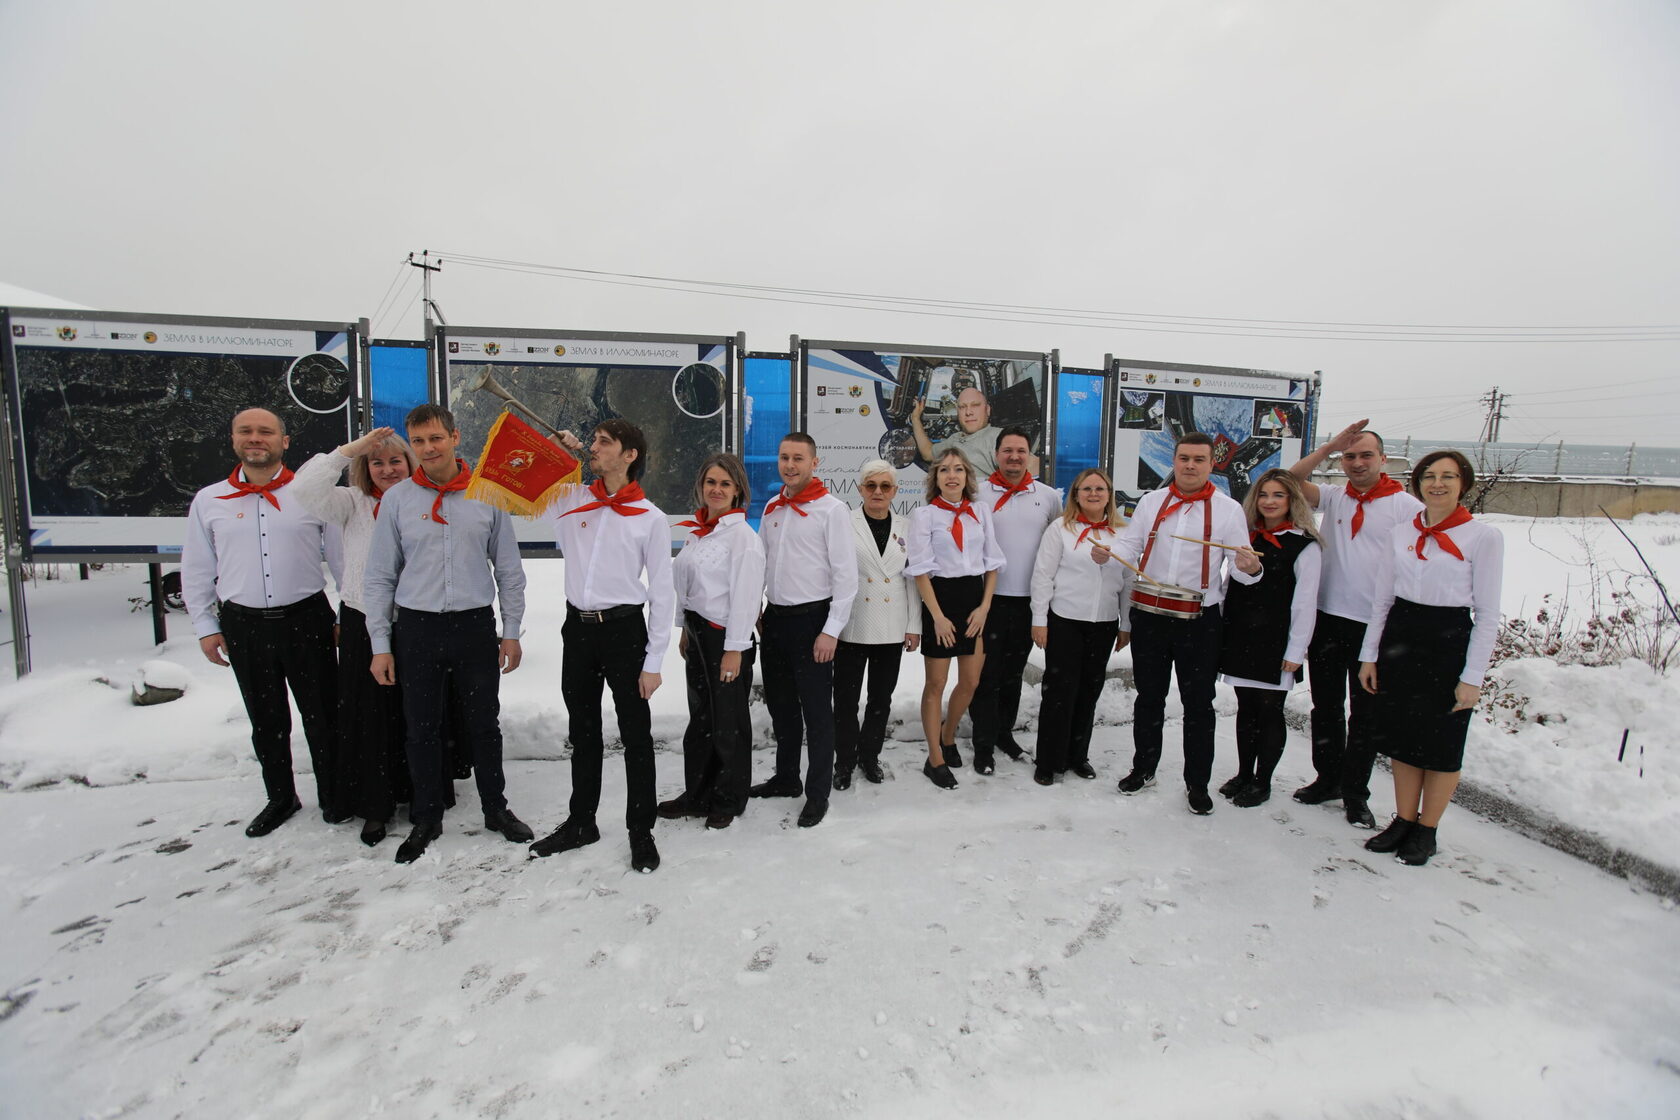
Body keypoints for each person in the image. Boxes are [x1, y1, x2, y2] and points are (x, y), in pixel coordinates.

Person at [364, 404, 533, 864]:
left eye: (435, 438)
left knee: (484, 724)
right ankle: (427, 816)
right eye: (418, 441)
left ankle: (496, 808)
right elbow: (380, 576)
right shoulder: (398, 500)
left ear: (455, 438)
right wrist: (380, 645)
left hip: (473, 626)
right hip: (417, 628)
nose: (427, 448)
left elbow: (509, 570)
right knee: (420, 727)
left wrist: (511, 631)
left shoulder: (488, 494)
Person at [183, 407, 339, 838]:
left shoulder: (311, 494)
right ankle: (281, 797)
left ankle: (334, 793)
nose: (256, 438)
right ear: (234, 440)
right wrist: (205, 626)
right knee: (267, 720)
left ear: (283, 442)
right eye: (246, 431)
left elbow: (342, 559)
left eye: (265, 431)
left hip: (307, 619)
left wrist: (347, 612)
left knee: (323, 715)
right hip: (244, 625)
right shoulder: (208, 501)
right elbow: (197, 568)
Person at [530, 420, 674, 872]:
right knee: (584, 731)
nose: (594, 448)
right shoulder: (572, 499)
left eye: (604, 443)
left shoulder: (650, 518)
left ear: (629, 455)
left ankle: (640, 829)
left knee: (636, 735)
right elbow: (528, 482)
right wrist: (559, 453)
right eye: (592, 440)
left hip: (624, 632)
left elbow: (663, 593)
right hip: (577, 630)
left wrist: (653, 661)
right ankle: (581, 822)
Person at [1358, 450, 1504, 866]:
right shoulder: (1401, 532)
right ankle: (1404, 819)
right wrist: (1370, 656)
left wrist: (1472, 676)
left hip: (1448, 642)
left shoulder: (1483, 538)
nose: (1437, 484)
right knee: (1403, 739)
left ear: (1463, 484)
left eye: (1448, 476)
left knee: (1442, 744)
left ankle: (1427, 829)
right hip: (1402, 637)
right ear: (1418, 483)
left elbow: (1488, 614)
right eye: (1429, 476)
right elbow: (1382, 600)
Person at [1111, 433, 1262, 814]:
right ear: (1174, 461)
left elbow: (1240, 568)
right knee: (1149, 698)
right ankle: (1144, 768)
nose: (1190, 465)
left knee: (1199, 704)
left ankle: (1197, 783)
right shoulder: (1151, 502)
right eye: (1184, 458)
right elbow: (1131, 545)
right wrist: (1109, 554)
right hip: (1151, 616)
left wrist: (1251, 568)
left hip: (1200, 621)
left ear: (1211, 464)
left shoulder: (1228, 510)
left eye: (1198, 459)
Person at [1287, 420, 1425, 828]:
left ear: (1383, 459)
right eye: (1349, 456)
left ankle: (1355, 793)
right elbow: (1290, 480)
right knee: (1326, 707)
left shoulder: (1405, 507)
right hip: (1329, 619)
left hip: (1375, 626)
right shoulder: (1335, 497)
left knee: (1365, 716)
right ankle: (1328, 778)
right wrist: (1328, 447)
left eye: (1366, 455)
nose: (1357, 463)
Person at [291, 426, 418, 846]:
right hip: (362, 620)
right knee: (369, 716)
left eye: (395, 461)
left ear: (409, 464)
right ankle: (375, 803)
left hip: (414, 620)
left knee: (414, 713)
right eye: (377, 462)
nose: (387, 469)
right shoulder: (351, 503)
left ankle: (418, 793)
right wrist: (350, 450)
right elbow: (304, 489)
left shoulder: (424, 500)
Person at [751, 433, 857, 828]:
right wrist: (755, 608)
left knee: (816, 712)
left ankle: (817, 793)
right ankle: (786, 778)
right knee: (781, 708)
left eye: (798, 458)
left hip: (813, 622)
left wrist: (831, 630)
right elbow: (761, 563)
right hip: (775, 621)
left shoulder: (832, 510)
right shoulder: (772, 508)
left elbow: (846, 576)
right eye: (784, 457)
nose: (790, 465)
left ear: (815, 462)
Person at [659, 453, 764, 829]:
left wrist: (734, 650)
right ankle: (699, 793)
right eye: (710, 482)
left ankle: (728, 797)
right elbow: (685, 585)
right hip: (699, 634)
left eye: (724, 484)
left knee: (728, 722)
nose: (716, 489)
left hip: (726, 638)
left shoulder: (743, 539)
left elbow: (747, 598)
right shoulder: (698, 532)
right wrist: (684, 629)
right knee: (701, 718)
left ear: (737, 491)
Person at [1215, 469, 1323, 807]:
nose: (1269, 501)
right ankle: (1244, 773)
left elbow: (1305, 602)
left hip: (1275, 640)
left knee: (1269, 710)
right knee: (1245, 707)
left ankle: (1263, 781)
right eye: (1263, 495)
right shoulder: (1246, 538)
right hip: (1241, 633)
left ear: (1292, 500)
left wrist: (1296, 650)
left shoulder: (1305, 546)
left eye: (1278, 495)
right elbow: (1229, 585)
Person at [907, 448, 1005, 789]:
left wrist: (984, 607)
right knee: (936, 684)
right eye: (945, 470)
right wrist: (937, 616)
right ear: (935, 478)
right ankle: (934, 758)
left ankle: (948, 735)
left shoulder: (980, 511)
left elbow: (992, 564)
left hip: (974, 602)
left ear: (967, 476)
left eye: (959, 469)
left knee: (971, 681)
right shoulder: (925, 516)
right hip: (941, 601)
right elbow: (920, 571)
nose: (952, 475)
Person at [1028, 468, 1132, 785]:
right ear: (1076, 494)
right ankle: (1049, 761)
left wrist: (1125, 624)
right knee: (1059, 692)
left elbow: (1129, 582)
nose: (1093, 494)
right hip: (1065, 621)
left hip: (1103, 624)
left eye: (1100, 489)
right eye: (1086, 489)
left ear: (1109, 494)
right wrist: (1039, 620)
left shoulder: (1123, 534)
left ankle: (1077, 756)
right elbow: (1042, 575)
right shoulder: (1060, 529)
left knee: (1089, 691)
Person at [968, 428, 1060, 774]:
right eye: (1007, 450)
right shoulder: (977, 493)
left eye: (1021, 450)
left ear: (1029, 456)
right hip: (987, 602)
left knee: (1012, 674)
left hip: (1028, 603)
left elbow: (1056, 545)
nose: (1014, 456)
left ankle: (1003, 733)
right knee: (985, 675)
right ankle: (983, 744)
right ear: (996, 454)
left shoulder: (1048, 497)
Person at [832, 460, 921, 790]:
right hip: (852, 622)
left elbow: (912, 579)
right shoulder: (844, 522)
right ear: (860, 489)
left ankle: (870, 756)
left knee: (881, 699)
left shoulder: (907, 526)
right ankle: (844, 760)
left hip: (892, 624)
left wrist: (914, 625)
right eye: (871, 486)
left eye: (885, 486)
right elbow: (834, 574)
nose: (878, 492)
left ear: (895, 491)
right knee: (845, 700)